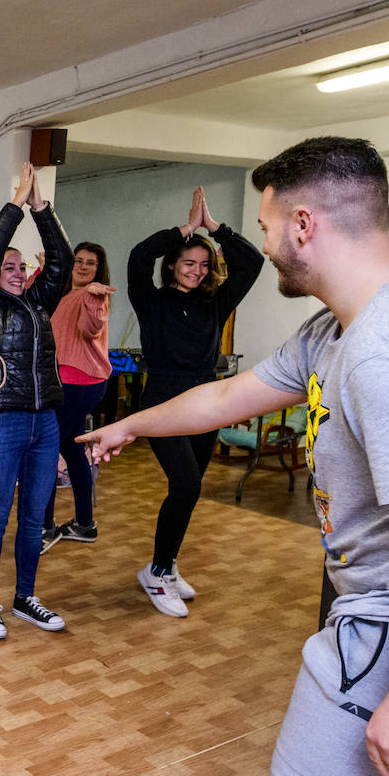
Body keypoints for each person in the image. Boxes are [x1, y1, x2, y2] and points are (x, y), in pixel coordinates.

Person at [79, 136, 389, 776]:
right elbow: (226, 397)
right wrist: (132, 424)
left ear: (304, 224)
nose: (263, 244)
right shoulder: (337, 330)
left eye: (265, 226)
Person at [126, 186, 262, 616]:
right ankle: (158, 570)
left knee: (188, 491)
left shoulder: (215, 303)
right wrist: (184, 229)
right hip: (163, 401)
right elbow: (136, 257)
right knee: (186, 484)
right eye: (189, 262)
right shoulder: (151, 302)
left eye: (204, 265)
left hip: (207, 399)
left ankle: (163, 566)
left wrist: (215, 228)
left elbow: (253, 262)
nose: (197, 271)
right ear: (173, 265)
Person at [0, 161, 71, 640]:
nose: (18, 272)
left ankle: (25, 597)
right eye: (10, 266)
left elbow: (61, 262)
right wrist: (13, 207)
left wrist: (41, 208)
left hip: (45, 422)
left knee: (33, 519)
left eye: (22, 265)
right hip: (3, 423)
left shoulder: (39, 302)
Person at [42, 242, 115, 545]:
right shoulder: (65, 294)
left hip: (80, 383)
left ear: (99, 269)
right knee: (71, 448)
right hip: (69, 381)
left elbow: (91, 328)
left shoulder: (92, 296)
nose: (84, 266)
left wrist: (95, 301)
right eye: (79, 261)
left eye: (91, 263)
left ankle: (44, 529)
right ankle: (85, 523)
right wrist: (47, 269)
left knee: (45, 450)